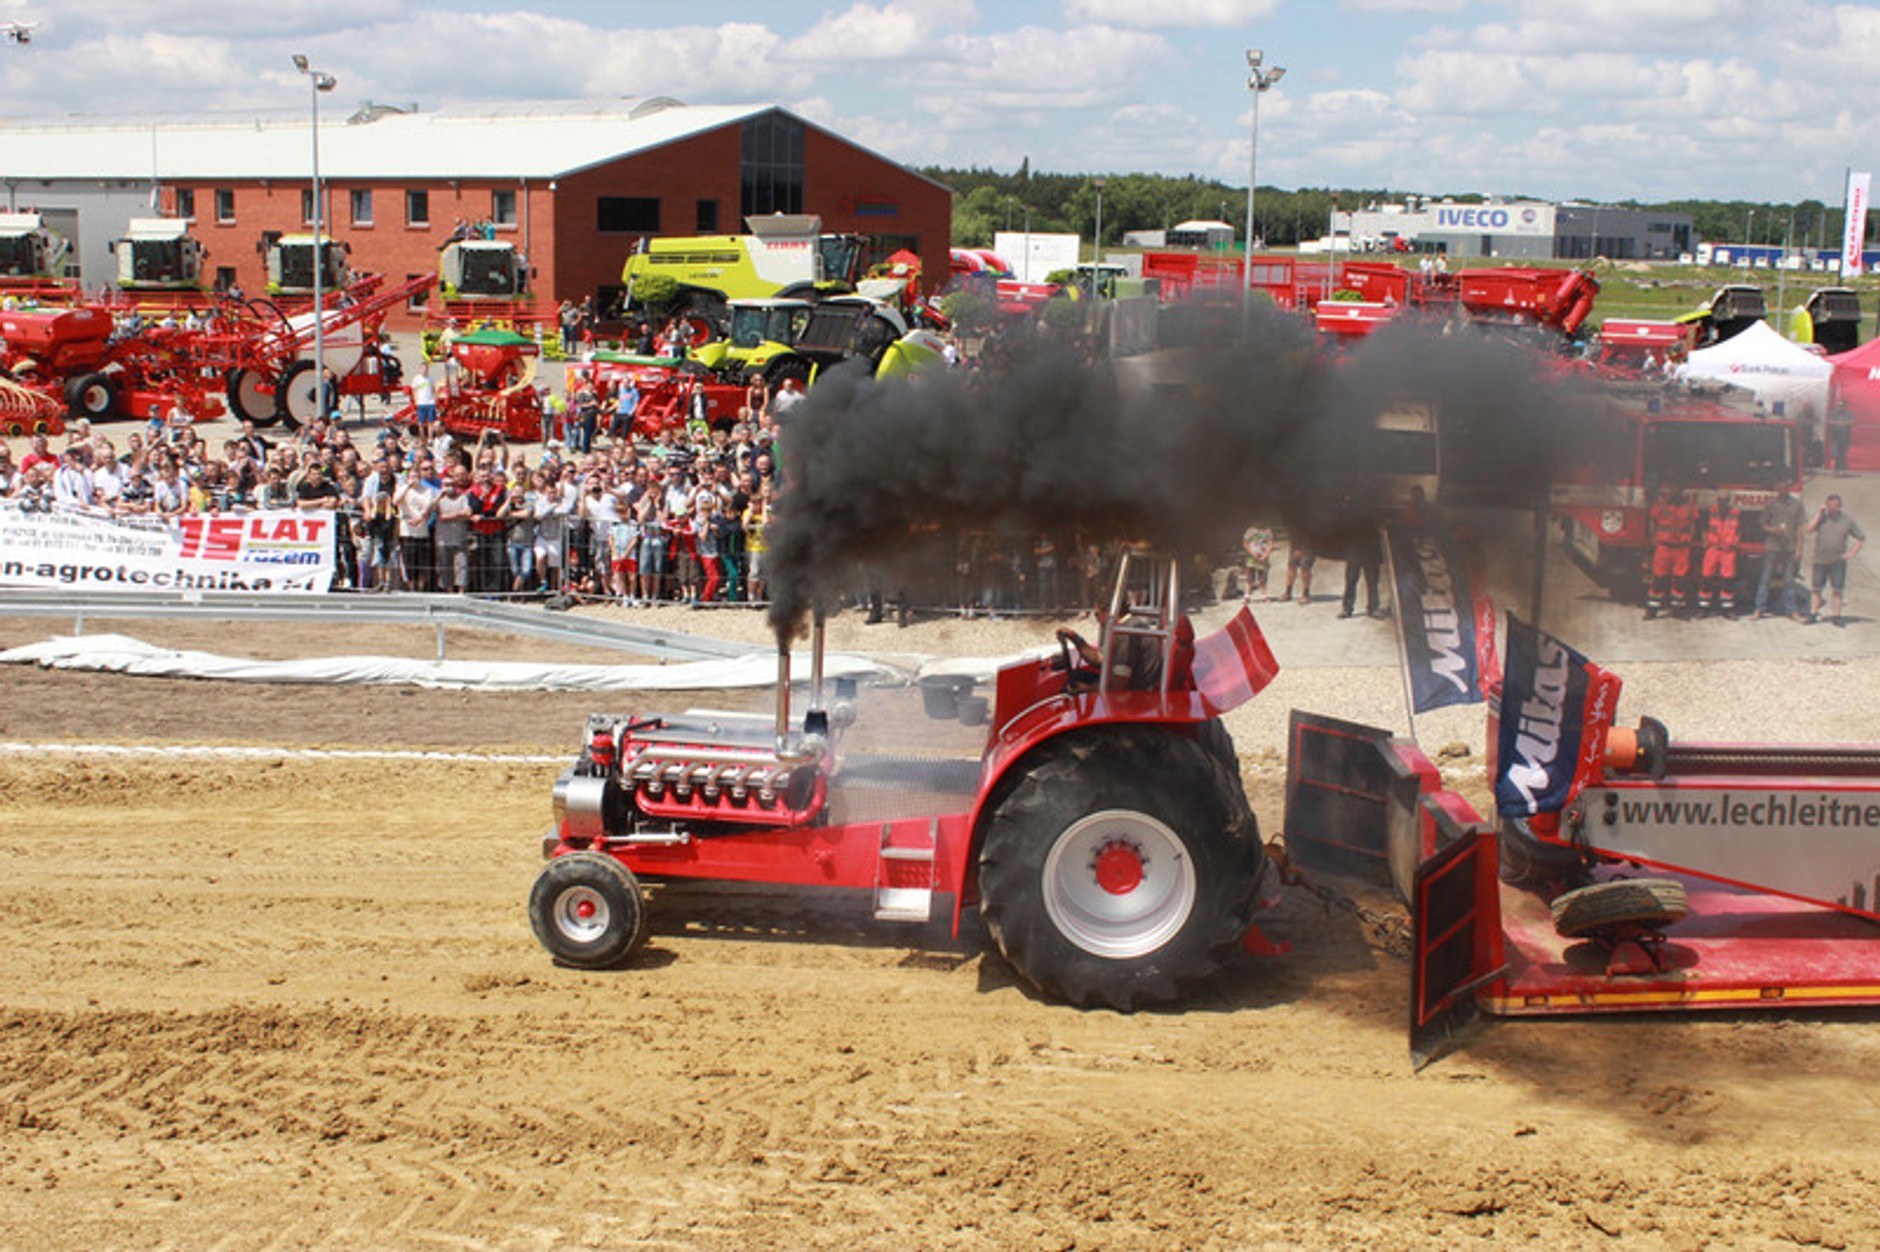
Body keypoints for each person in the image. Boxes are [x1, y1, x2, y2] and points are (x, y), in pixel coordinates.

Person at [1806, 493, 1865, 626]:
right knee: (1816, 588)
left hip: (1837, 561)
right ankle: (1813, 613)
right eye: (1830, 505)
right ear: (1826, 505)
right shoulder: (1822, 518)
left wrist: (1851, 553)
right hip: (1819, 559)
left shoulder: (1847, 520)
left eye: (1835, 505)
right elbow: (1809, 530)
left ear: (1840, 506)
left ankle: (1836, 616)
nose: (1833, 507)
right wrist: (1819, 513)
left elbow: (1861, 538)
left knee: (1837, 589)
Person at [1645, 484, 1697, 620]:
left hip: (1682, 548)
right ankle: (1652, 610)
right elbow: (1652, 521)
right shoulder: (1660, 505)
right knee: (1658, 579)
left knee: (1680, 580)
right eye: (1671, 490)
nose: (1673, 493)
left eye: (1677, 490)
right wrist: (1653, 540)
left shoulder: (1689, 506)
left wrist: (1689, 540)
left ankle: (1677, 610)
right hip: (1664, 547)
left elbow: (1693, 524)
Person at [1754, 485, 1806, 619]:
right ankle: (1759, 609)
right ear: (1777, 489)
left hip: (1789, 549)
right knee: (1765, 579)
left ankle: (1792, 611)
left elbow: (1801, 527)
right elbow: (1762, 524)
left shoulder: (1797, 505)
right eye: (1779, 488)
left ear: (1788, 489)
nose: (1782, 490)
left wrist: (1800, 547)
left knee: (1789, 580)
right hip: (1772, 547)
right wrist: (1773, 530)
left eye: (1784, 488)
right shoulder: (1770, 505)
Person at [1697, 492, 1741, 616]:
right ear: (1717, 500)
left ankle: (1727, 611)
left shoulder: (1736, 513)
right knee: (1706, 578)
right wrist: (1705, 542)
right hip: (1713, 549)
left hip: (1728, 551)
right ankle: (1703, 609)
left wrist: (1735, 542)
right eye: (1721, 500)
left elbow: (1740, 530)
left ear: (1729, 501)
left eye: (1725, 500)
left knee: (1728, 581)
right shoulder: (1709, 512)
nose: (1723, 502)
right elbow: (1703, 528)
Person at [1278, 533, 1314, 604]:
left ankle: (1306, 594)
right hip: (1296, 543)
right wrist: (1296, 547)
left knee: (1305, 567)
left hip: (1309, 544)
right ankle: (1288, 592)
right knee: (1291, 566)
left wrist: (1300, 548)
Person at [1828, 398, 1855, 474]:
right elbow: (1830, 421)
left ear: (1845, 406)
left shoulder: (1849, 414)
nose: (1840, 407)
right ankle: (1838, 467)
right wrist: (1838, 423)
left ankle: (1842, 468)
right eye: (1839, 406)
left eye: (1842, 406)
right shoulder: (1834, 413)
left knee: (1842, 453)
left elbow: (1851, 422)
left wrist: (1844, 423)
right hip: (1835, 436)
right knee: (1835, 452)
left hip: (1845, 437)